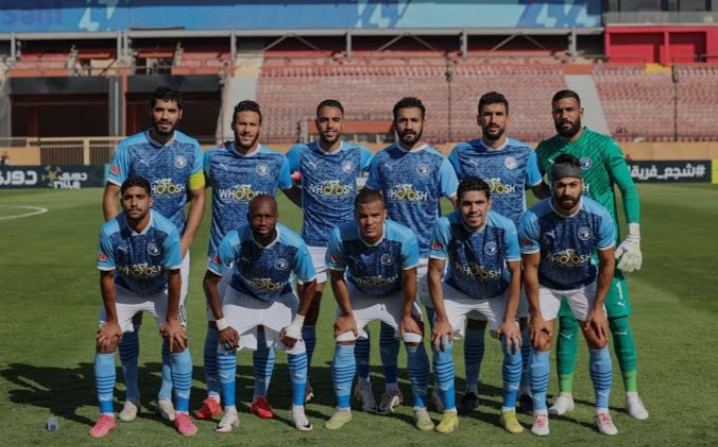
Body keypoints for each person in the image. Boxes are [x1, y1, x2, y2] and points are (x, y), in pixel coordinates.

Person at [535, 89, 647, 420]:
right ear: (552, 114)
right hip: (566, 254)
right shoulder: (545, 151)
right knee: (568, 324)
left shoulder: (603, 146)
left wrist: (634, 235)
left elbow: (627, 188)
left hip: (604, 251)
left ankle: (631, 395)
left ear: (581, 112)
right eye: (558, 111)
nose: (564, 115)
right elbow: (540, 189)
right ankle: (565, 394)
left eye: (569, 109)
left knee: (618, 322)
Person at [102, 86, 205, 423]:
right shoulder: (129, 147)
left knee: (173, 324)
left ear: (180, 114)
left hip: (172, 252)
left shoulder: (191, 148)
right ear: (152, 111)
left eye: (171, 110)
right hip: (131, 252)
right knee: (128, 325)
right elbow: (111, 194)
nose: (165, 116)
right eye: (160, 109)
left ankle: (164, 395)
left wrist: (185, 241)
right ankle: (131, 395)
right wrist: (119, 240)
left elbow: (198, 197)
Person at [195, 100, 301, 422]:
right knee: (215, 327)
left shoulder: (275, 161)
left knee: (264, 330)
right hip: (222, 259)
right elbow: (194, 194)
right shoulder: (213, 158)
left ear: (260, 126)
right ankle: (213, 395)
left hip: (263, 262)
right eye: (241, 123)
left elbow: (295, 194)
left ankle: (259, 396)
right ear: (233, 125)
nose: (246, 129)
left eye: (252, 124)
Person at [448, 91, 546, 414]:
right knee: (476, 323)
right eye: (487, 114)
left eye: (498, 114)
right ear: (478, 118)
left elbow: (541, 194)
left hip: (515, 252)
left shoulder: (524, 153)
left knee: (520, 321)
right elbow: (452, 195)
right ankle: (471, 389)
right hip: (475, 253)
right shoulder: (461, 154)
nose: (493, 120)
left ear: (507, 118)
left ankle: (525, 390)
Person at [364, 96, 458, 413]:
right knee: (390, 327)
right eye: (402, 120)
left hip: (429, 260)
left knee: (438, 325)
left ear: (422, 122)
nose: (408, 126)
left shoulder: (437, 161)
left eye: (414, 120)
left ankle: (440, 389)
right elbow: (370, 206)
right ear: (395, 122)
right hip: (390, 259)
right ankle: (392, 388)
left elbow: (458, 204)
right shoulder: (381, 160)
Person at [519, 154, 618, 436]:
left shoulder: (599, 216)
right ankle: (540, 413)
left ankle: (602, 411)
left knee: (598, 338)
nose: (567, 191)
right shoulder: (533, 218)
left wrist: (598, 308)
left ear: (581, 185)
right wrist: (536, 313)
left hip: (584, 283)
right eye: (561, 185)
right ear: (552, 185)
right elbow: (530, 268)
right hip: (546, 284)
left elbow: (608, 264)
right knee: (540, 340)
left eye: (573, 185)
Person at [91, 176, 196, 438]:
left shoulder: (166, 230)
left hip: (159, 290)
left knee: (178, 339)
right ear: (122, 201)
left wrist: (172, 319)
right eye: (128, 197)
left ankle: (182, 412)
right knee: (106, 340)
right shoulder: (110, 231)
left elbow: (174, 276)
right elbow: (106, 277)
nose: (134, 203)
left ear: (151, 200)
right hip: (125, 289)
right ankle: (107, 414)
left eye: (140, 197)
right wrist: (112, 321)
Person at [286, 99, 374, 407]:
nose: (330, 125)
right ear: (316, 123)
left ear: (343, 123)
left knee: (356, 315)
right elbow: (284, 181)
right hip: (312, 245)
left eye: (335, 119)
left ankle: (363, 382)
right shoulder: (301, 154)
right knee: (308, 312)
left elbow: (377, 183)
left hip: (350, 245)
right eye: (324, 120)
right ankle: (305, 379)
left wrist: (359, 206)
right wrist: (304, 202)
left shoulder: (360, 154)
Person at [204, 195, 317, 433]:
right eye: (257, 217)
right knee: (225, 344)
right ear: (248, 218)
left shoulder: (294, 244)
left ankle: (298, 410)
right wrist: (222, 324)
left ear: (277, 217)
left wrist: (297, 324)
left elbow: (310, 283)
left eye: (268, 216)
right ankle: (230, 412)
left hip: (280, 296)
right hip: (241, 295)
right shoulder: (233, 240)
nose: (263, 222)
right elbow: (209, 281)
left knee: (297, 345)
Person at [323, 190, 432, 431]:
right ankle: (343, 409)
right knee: (344, 337)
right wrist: (347, 314)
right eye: (363, 216)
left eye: (375, 215)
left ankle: (420, 409)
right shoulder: (340, 234)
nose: (369, 221)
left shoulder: (404, 236)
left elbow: (409, 278)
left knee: (414, 337)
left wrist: (407, 315)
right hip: (359, 292)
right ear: (355, 215)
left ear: (385, 214)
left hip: (395, 293)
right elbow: (337, 277)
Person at [428, 177, 524, 435]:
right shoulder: (444, 225)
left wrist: (509, 319)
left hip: (496, 292)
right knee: (441, 340)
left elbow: (516, 272)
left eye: (479, 202)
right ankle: (450, 413)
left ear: (489, 203)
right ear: (458, 204)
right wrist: (441, 319)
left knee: (513, 341)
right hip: (457, 290)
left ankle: (508, 411)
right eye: (467, 203)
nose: (474, 209)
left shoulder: (505, 227)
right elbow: (434, 272)